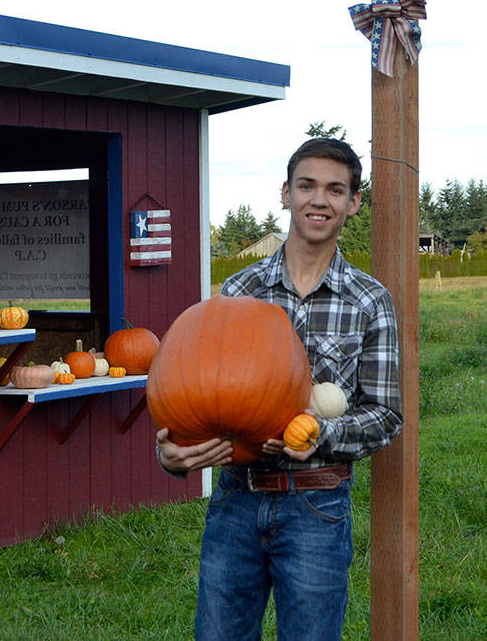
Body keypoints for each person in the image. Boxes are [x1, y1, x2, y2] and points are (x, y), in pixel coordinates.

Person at [156, 137, 403, 640]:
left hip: (317, 503)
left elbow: (385, 414)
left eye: (335, 190)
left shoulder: (370, 301)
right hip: (236, 498)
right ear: (285, 193)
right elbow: (198, 387)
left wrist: (318, 433)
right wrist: (172, 455)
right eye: (306, 186)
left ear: (353, 203)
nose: (319, 200)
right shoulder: (237, 292)